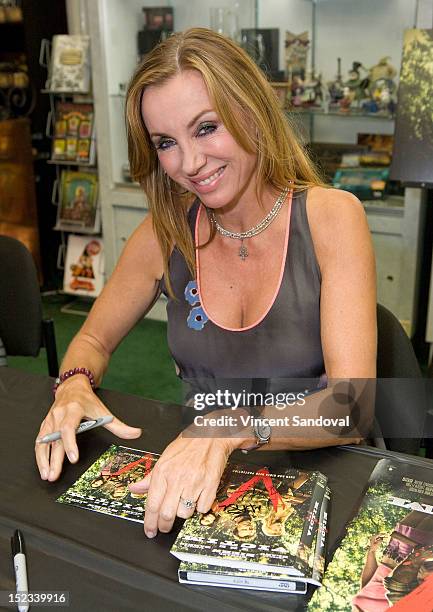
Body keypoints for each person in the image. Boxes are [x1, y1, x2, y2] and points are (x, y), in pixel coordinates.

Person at [35, 28, 376, 539]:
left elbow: (352, 404)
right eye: (166, 143)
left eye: (206, 128)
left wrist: (228, 427)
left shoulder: (332, 217)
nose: (190, 163)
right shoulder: (165, 231)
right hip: (197, 483)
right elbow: (91, 339)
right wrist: (74, 384)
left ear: (252, 110)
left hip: (318, 481)